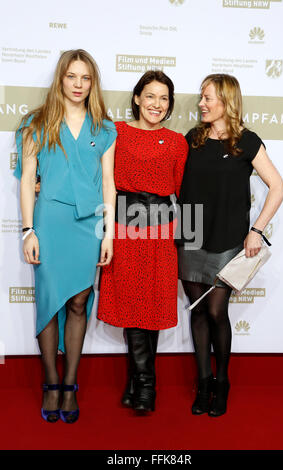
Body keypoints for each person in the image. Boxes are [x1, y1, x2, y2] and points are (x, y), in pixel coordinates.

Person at [14, 49, 117, 423]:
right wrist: (28, 230)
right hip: (50, 223)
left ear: (93, 83)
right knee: (49, 302)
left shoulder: (105, 128)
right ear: (61, 79)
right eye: (72, 76)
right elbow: (27, 180)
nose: (78, 84)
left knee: (79, 303)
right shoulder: (35, 123)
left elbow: (109, 183)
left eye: (86, 78)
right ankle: (51, 382)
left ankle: (70, 383)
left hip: (88, 227)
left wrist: (108, 235)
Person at [177, 73, 283, 417]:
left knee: (215, 311)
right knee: (197, 313)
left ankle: (222, 382)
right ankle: (204, 382)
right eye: (201, 97)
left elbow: (278, 187)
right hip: (191, 234)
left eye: (208, 98)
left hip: (228, 238)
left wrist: (256, 230)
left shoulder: (246, 141)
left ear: (227, 101)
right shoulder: (192, 138)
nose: (201, 103)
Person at [97, 70, 188, 412]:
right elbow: (98, 176)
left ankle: (139, 381)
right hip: (125, 225)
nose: (156, 104)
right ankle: (145, 384)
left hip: (163, 230)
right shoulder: (115, 132)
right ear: (137, 98)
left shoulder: (177, 142)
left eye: (164, 98)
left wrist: (190, 239)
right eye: (150, 96)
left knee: (152, 303)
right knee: (133, 302)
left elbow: (184, 192)